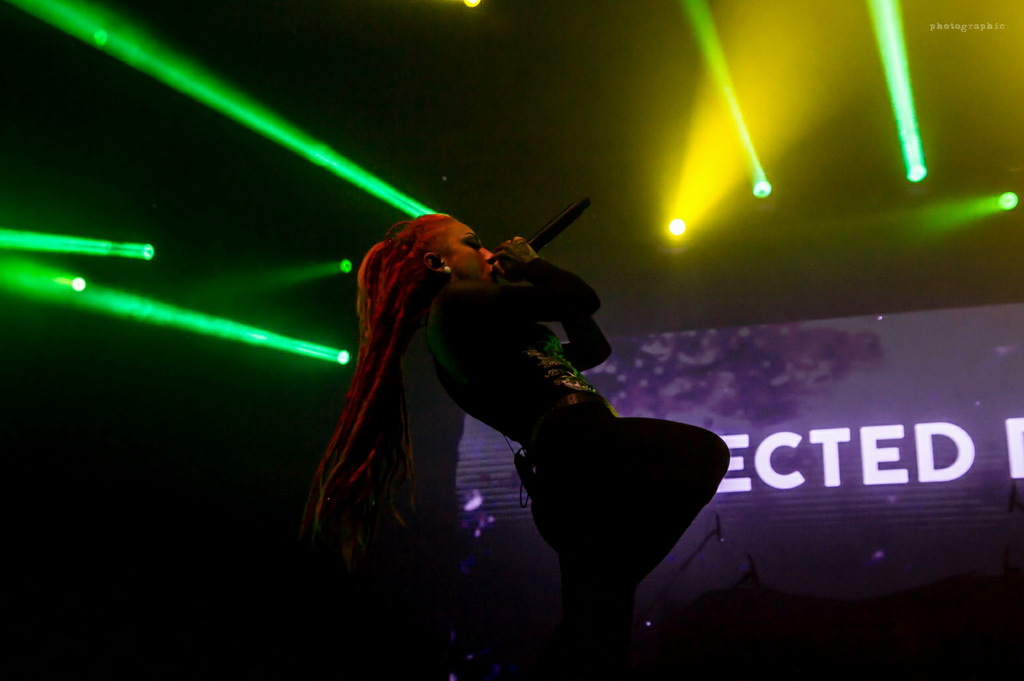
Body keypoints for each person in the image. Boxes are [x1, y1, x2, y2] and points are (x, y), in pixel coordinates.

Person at [304, 213, 730, 678]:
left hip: (575, 462)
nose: (489, 252)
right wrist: (532, 267)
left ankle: (612, 580)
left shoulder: (492, 324)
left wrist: (541, 282)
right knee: (702, 452)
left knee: (596, 631)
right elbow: (583, 296)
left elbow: (593, 347)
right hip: (575, 449)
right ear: (437, 263)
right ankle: (617, 574)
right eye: (473, 243)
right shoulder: (455, 303)